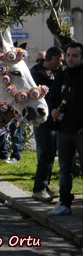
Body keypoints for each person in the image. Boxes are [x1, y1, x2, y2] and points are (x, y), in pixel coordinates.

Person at [47, 42, 83, 216]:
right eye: (68, 55)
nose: (70, 59)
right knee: (64, 169)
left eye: (75, 55)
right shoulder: (62, 75)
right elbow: (52, 97)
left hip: (80, 132)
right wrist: (53, 109)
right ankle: (64, 203)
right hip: (63, 130)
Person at [30, 46, 64, 202]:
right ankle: (39, 188)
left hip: (58, 120)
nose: (62, 63)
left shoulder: (59, 73)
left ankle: (45, 186)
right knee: (45, 154)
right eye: (61, 60)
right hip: (43, 120)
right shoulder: (36, 74)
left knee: (50, 155)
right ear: (55, 58)